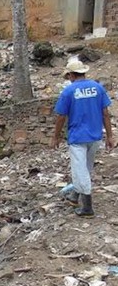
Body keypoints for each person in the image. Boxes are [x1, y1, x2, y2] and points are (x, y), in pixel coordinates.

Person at [52, 58, 114, 217]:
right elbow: (105, 113)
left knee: (80, 171)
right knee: (85, 169)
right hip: (95, 136)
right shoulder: (97, 88)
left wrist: (56, 137)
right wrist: (110, 136)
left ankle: (87, 208)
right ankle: (74, 196)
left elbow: (60, 117)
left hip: (78, 137)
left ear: (71, 75)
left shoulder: (68, 92)